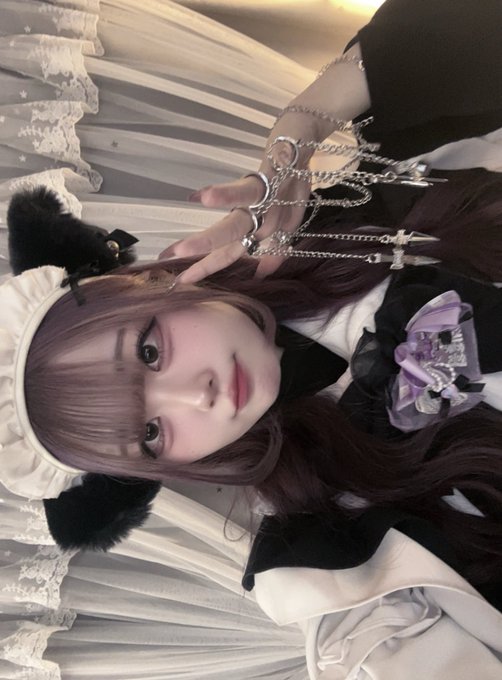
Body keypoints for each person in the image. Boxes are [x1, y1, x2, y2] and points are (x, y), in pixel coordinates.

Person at [2, 1, 502, 679]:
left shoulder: (373, 204)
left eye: (149, 352)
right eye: (150, 432)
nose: (197, 396)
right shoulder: (331, 555)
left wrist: (301, 128)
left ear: (151, 281)